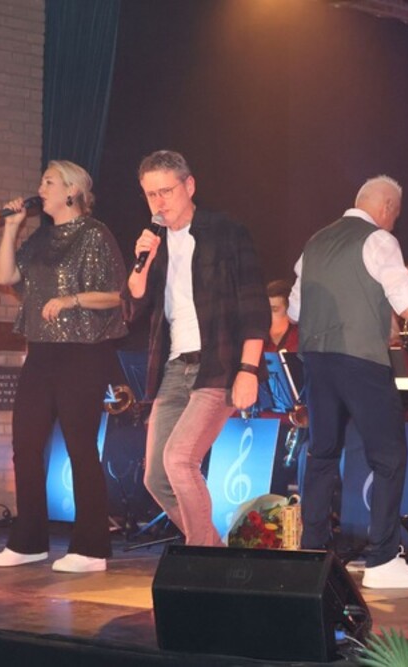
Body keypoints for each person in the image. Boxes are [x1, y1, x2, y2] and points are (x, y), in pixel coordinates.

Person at [288, 175, 408, 589]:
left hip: (316, 360)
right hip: (360, 361)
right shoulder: (380, 239)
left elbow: (295, 311)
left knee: (322, 454)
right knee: (389, 456)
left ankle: (312, 554)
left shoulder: (315, 242)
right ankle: (383, 560)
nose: (394, 222)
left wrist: (374, 314)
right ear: (386, 207)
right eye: (395, 214)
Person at [0, 160, 127, 573]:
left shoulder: (94, 234)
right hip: (42, 351)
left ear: (72, 191)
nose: (40, 188)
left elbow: (117, 294)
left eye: (48, 182)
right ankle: (29, 541)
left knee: (80, 447)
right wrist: (12, 228)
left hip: (82, 352)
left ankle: (92, 548)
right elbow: (6, 276)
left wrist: (72, 300)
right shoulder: (42, 239)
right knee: (26, 444)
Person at [129, 150, 269, 547]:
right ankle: (214, 552)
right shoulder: (155, 245)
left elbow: (254, 305)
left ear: (189, 186)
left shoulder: (226, 232)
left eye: (167, 191)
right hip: (175, 368)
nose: (159, 202)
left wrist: (248, 369)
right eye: (151, 194)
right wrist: (142, 262)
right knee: (156, 476)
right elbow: (132, 307)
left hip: (219, 364)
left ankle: (202, 559)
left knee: (179, 459)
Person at [266, 279, 299, 353]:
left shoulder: (302, 341)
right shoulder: (258, 342)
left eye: (274, 310)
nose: (267, 315)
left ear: (289, 312)